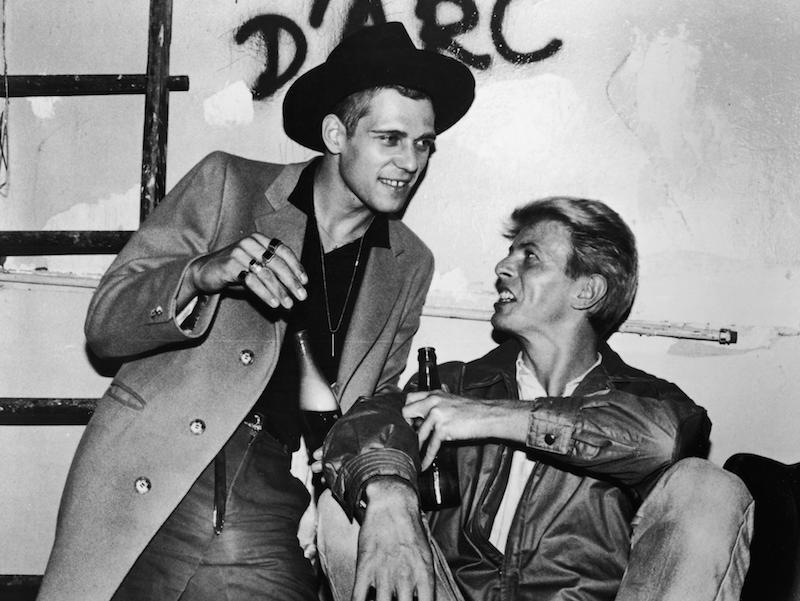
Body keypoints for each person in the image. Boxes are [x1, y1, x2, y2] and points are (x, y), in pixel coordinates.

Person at [36, 22, 475, 601]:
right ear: (336, 133)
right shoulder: (229, 184)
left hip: (275, 492)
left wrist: (351, 491)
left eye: (423, 144)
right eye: (390, 138)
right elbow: (106, 326)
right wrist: (200, 273)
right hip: (159, 467)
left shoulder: (409, 262)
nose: (410, 161)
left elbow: (373, 399)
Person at [319, 196, 754, 601]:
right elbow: (365, 422)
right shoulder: (456, 384)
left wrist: (497, 418)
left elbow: (664, 442)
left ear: (586, 291)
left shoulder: (650, 400)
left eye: (530, 257)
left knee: (711, 487)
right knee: (349, 510)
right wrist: (390, 491)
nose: (502, 267)